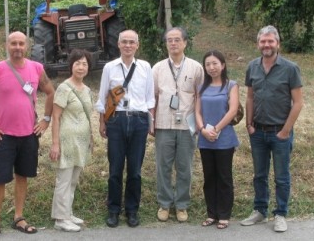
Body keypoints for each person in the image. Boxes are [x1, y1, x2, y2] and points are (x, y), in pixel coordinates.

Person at [0, 31, 55, 240]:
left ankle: (19, 217)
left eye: (21, 43)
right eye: (13, 43)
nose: (17, 47)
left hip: (28, 135)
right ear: (7, 46)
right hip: (3, 136)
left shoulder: (36, 68)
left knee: (22, 176)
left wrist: (45, 120)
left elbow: (51, 92)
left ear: (27, 46)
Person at [240, 25, 303, 232]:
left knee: (281, 176)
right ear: (258, 44)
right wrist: (248, 124)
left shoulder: (290, 68)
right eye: (263, 41)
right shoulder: (252, 67)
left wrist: (285, 130)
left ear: (277, 43)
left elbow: (298, 103)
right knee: (259, 174)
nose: (266, 45)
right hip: (257, 131)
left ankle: (281, 214)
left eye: (270, 41)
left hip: (280, 132)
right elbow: (249, 96)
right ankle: (260, 210)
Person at [95, 30, 155, 228]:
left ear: (137, 45)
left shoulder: (145, 67)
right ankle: (113, 210)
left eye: (132, 42)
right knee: (115, 169)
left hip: (139, 120)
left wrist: (150, 122)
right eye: (124, 42)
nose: (128, 45)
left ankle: (132, 210)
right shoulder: (109, 68)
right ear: (118, 44)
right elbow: (103, 97)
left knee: (135, 170)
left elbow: (149, 99)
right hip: (116, 120)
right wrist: (102, 122)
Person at [151, 27, 204, 223]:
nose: (173, 43)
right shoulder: (156, 68)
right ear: (166, 44)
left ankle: (181, 205)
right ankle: (164, 204)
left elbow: (199, 96)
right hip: (163, 123)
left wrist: (199, 122)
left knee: (185, 166)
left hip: (187, 126)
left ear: (185, 43)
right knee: (162, 166)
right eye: (169, 40)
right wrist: (152, 121)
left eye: (177, 40)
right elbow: (153, 97)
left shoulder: (196, 68)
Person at [49, 49, 94, 232]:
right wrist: (55, 144)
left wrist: (90, 137)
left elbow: (87, 116)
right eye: (77, 63)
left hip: (81, 141)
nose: (81, 67)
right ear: (71, 66)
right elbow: (56, 117)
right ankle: (60, 219)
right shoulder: (64, 88)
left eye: (84, 64)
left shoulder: (87, 90)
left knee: (73, 179)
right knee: (64, 180)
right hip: (66, 141)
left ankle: (67, 213)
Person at [195, 50, 240, 229]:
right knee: (209, 177)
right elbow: (197, 111)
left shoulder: (231, 85)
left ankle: (224, 214)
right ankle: (211, 213)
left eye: (215, 63)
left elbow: (233, 110)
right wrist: (202, 130)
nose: (212, 67)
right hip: (205, 139)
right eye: (208, 64)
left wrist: (216, 128)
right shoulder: (201, 87)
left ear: (223, 65)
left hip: (224, 139)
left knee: (224, 177)